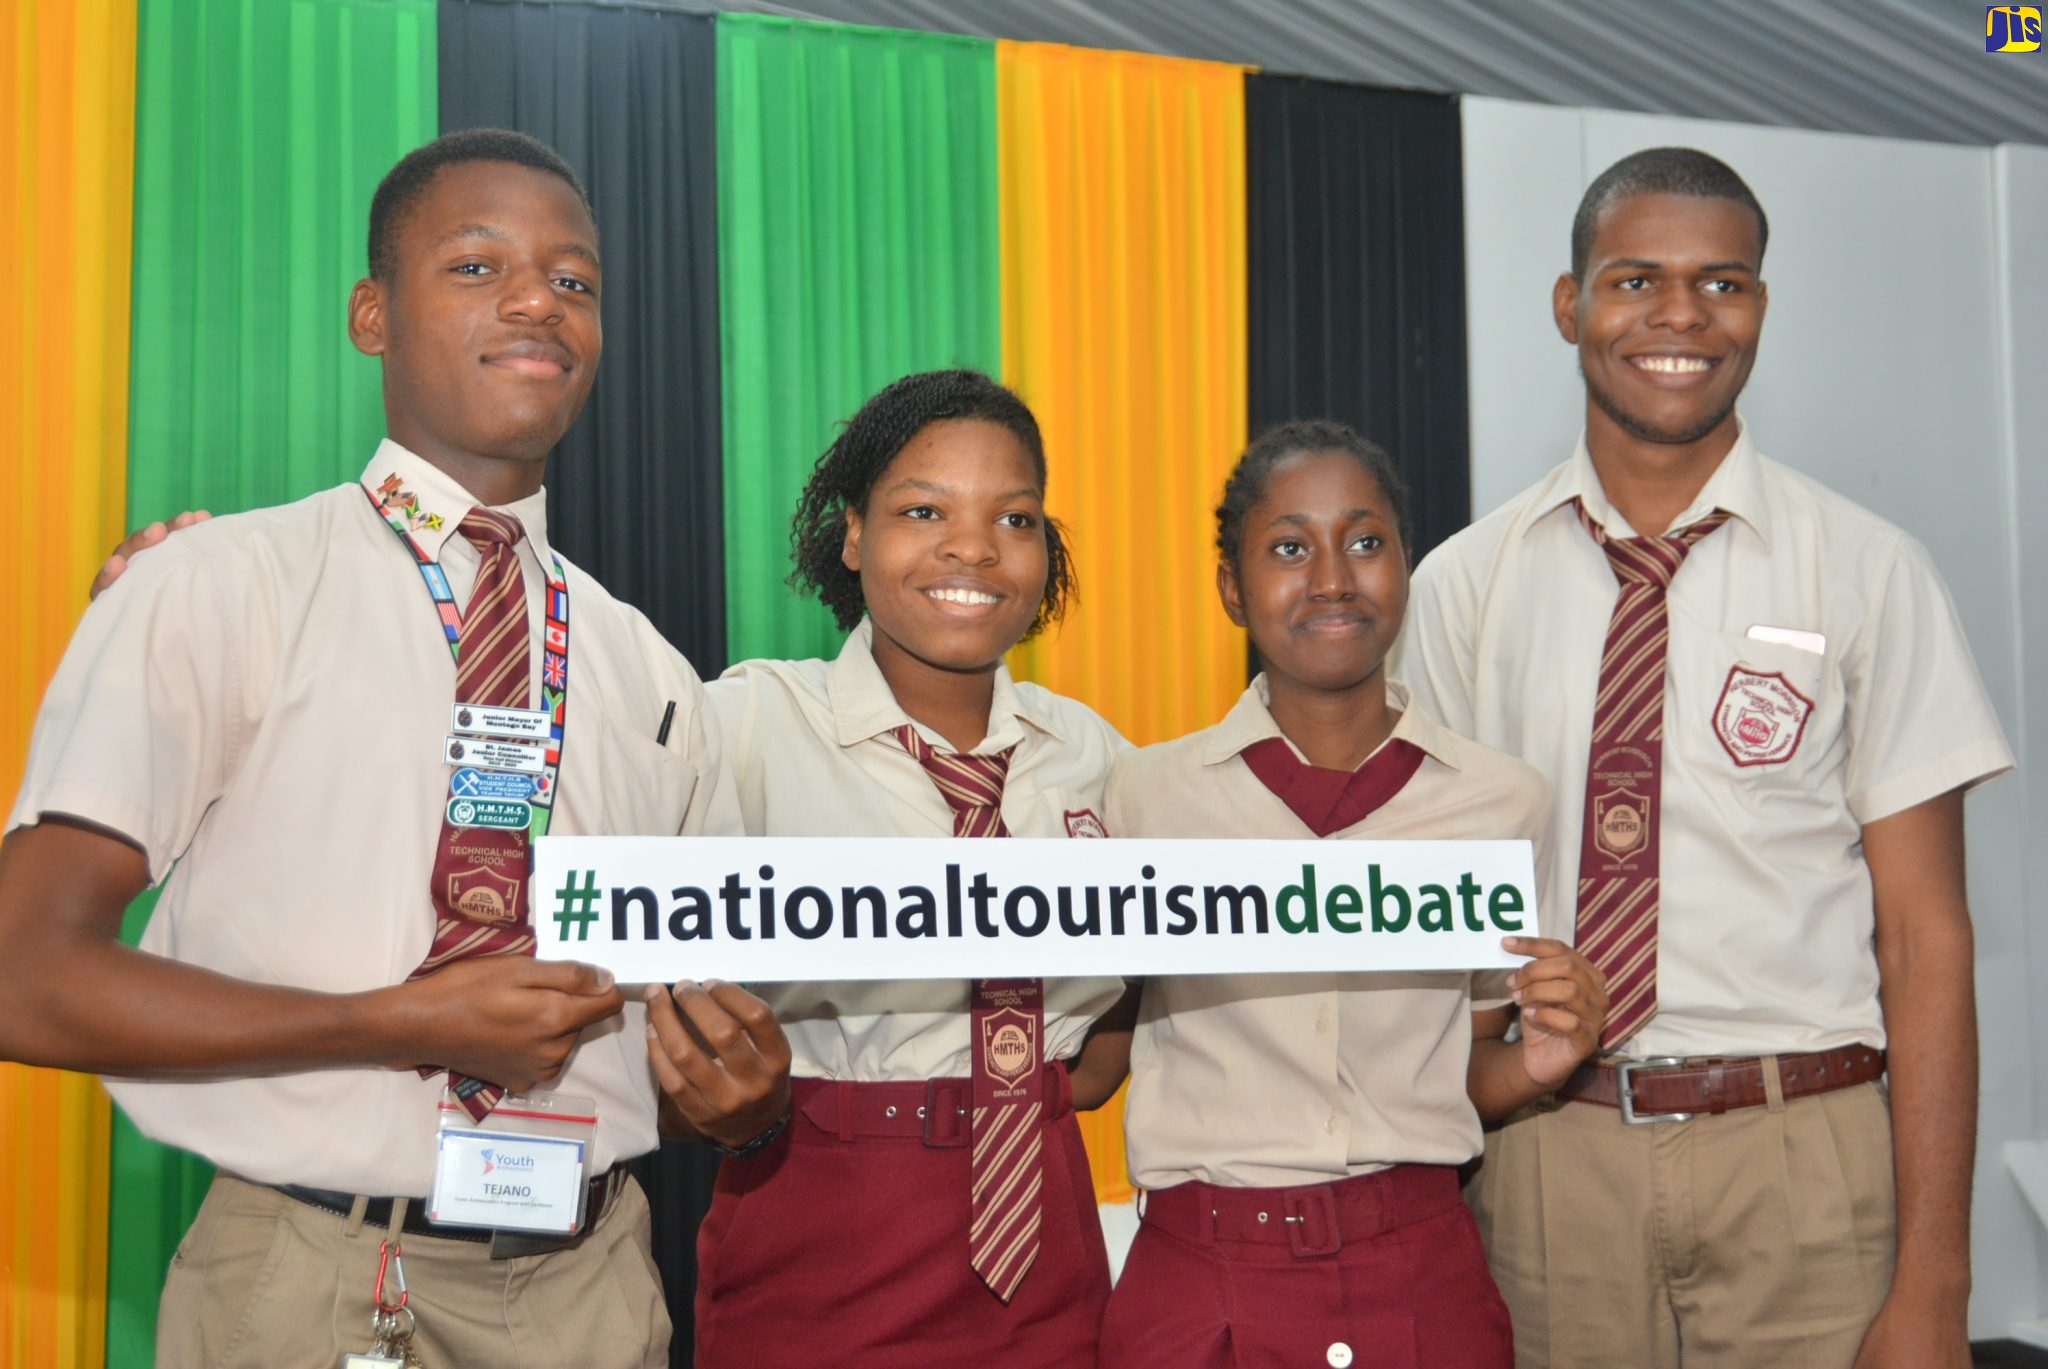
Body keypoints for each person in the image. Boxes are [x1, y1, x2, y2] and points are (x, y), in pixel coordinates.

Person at [0, 129, 789, 1368]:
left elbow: (672, 1043)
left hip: (592, 1289)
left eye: (574, 281)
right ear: (373, 313)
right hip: (318, 1280)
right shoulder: (221, 584)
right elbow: (24, 976)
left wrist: (733, 1099)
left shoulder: (649, 669)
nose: (538, 299)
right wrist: (393, 1020)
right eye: (477, 266)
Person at [1394, 148, 2015, 1369]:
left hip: (1804, 1154)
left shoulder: (1866, 570)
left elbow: (1923, 936)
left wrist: (1936, 1281)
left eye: (1719, 283)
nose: (1678, 315)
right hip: (1547, 1162)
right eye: (1633, 279)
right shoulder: (1461, 587)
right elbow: (1431, 920)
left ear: (1760, 309)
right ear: (1569, 305)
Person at [1097, 420, 1608, 1368]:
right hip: (1200, 1271)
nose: (1333, 577)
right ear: (1232, 588)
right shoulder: (1142, 798)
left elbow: (1470, 1072)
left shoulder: (1501, 802)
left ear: (1405, 568)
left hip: (1418, 1267)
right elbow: (1097, 1061)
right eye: (1290, 548)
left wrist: (1549, 1060)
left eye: (1365, 542)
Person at [669, 369, 1135, 1368]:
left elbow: (1119, 1025)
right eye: (922, 510)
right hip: (824, 1219)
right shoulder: (746, 723)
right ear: (851, 534)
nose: (970, 546)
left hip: (1046, 1239)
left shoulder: (1094, 753)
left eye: (1013, 518)